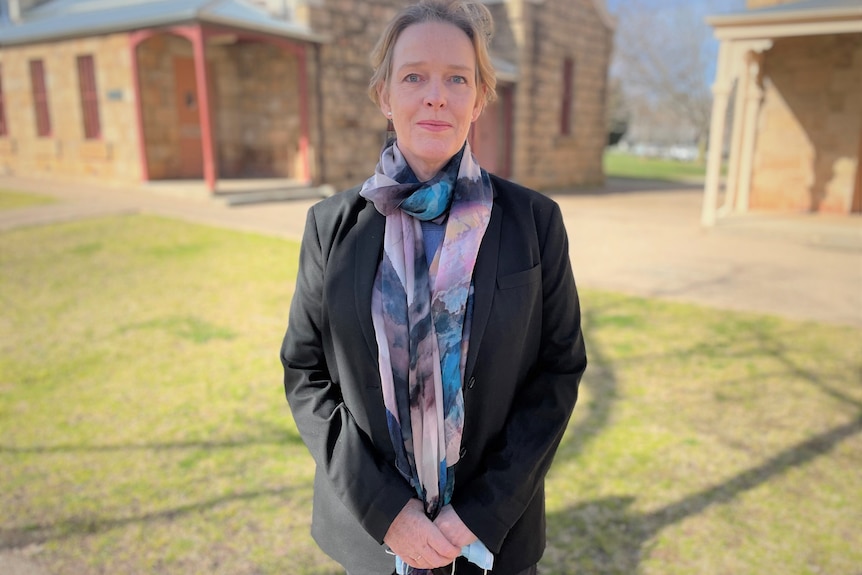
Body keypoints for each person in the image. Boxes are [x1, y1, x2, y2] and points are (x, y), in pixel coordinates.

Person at [280, 1, 587, 573]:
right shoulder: (332, 225)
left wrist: (480, 513)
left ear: (479, 99)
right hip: (372, 540)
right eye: (414, 76)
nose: (436, 95)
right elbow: (306, 372)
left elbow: (558, 369)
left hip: (492, 539)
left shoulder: (534, 221)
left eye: (457, 78)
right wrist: (386, 511)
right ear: (384, 96)